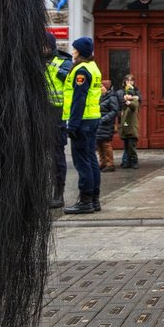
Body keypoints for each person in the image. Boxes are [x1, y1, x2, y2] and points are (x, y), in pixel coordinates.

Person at [62, 36, 103, 215]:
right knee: (91, 159)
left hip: (82, 122)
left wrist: (73, 125)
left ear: (80, 52)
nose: (72, 52)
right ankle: (94, 199)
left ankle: (85, 201)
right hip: (92, 119)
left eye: (74, 49)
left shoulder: (81, 71)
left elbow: (79, 100)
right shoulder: (93, 68)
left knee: (82, 162)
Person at [44, 31, 73, 208]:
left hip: (57, 116)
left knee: (56, 157)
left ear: (49, 46)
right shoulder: (37, 63)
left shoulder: (64, 64)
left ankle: (58, 194)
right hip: (41, 115)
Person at [118, 74, 142, 169]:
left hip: (131, 125)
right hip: (125, 124)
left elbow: (135, 105)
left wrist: (130, 100)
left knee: (131, 145)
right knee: (126, 144)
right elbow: (119, 105)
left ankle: (133, 161)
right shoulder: (120, 93)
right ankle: (126, 161)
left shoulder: (134, 99)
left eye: (131, 80)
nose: (129, 82)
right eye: (127, 80)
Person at [96, 79, 120, 172]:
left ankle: (110, 164)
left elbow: (115, 111)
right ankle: (102, 163)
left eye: (101, 87)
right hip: (98, 123)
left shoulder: (111, 97)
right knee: (99, 144)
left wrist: (104, 119)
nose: (100, 89)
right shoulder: (98, 97)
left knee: (106, 144)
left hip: (106, 124)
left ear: (106, 88)